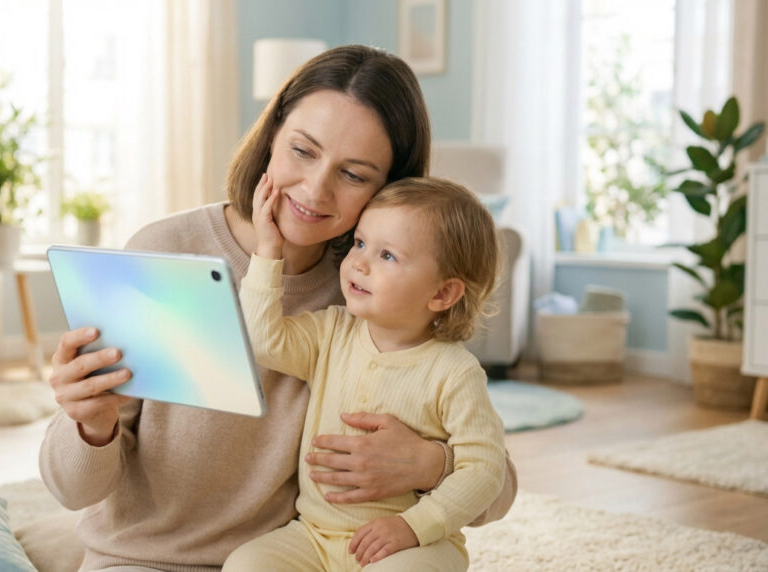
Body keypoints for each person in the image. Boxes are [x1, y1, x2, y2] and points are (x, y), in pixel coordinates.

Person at [40, 44, 518, 572]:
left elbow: (497, 487)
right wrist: (90, 424)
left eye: (354, 175)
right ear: (271, 135)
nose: (315, 189)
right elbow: (72, 489)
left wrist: (430, 464)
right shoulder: (166, 250)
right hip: (143, 560)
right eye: (303, 151)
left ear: (390, 190)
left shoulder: (375, 292)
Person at [224, 176, 506, 572]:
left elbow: (485, 470)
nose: (358, 262)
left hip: (412, 545)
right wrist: (269, 251)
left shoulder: (455, 373)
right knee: (245, 565)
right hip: (314, 536)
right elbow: (262, 341)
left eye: (387, 255)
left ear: (442, 293)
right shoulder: (331, 331)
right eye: (359, 243)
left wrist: (414, 527)